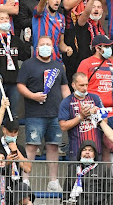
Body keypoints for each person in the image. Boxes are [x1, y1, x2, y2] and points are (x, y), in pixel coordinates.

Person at [16, 37, 69, 192]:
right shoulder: (28, 65)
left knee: (53, 146)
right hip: (35, 113)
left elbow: (64, 87)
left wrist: (70, 104)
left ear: (53, 48)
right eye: (42, 45)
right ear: (36, 48)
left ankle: (53, 181)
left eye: (48, 45)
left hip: (55, 114)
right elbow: (20, 85)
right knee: (31, 147)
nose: (45, 47)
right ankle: (25, 180)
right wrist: (33, 96)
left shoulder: (58, 66)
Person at [59, 72, 105, 158]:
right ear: (73, 85)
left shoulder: (95, 98)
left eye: (86, 85)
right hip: (76, 150)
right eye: (81, 85)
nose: (85, 88)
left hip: (96, 149)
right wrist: (81, 117)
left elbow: (105, 121)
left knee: (97, 171)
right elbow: (63, 126)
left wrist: (96, 115)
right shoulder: (66, 102)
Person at [61, 140, 113, 205]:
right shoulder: (73, 169)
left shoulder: (103, 169)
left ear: (95, 154)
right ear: (80, 153)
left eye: (90, 150)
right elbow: (66, 190)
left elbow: (111, 192)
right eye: (84, 150)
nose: (87, 152)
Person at [77, 34, 113, 108]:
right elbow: (79, 86)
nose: (109, 49)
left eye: (110, 46)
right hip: (93, 108)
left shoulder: (112, 63)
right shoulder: (86, 63)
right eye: (106, 46)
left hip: (111, 108)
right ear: (97, 48)